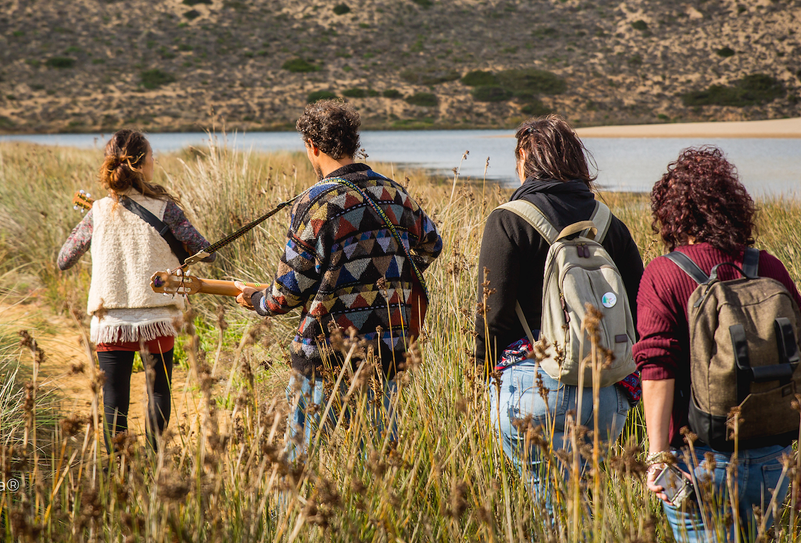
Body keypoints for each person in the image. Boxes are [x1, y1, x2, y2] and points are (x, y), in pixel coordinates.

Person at [234, 100, 442, 458]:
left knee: (301, 463)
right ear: (353, 142)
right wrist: (388, 276)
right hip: (387, 353)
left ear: (312, 146)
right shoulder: (395, 193)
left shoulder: (315, 202)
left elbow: (287, 293)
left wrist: (256, 301)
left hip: (325, 358)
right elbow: (431, 245)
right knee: (377, 464)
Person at [634, 146, 801, 542]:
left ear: (672, 212)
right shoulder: (768, 267)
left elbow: (657, 371)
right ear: (733, 206)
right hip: (773, 461)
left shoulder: (663, 274)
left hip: (697, 463)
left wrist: (657, 456)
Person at [475, 115, 644, 510]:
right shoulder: (609, 223)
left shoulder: (508, 219)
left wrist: (482, 375)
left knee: (549, 511)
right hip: (605, 391)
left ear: (524, 158)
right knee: (584, 507)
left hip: (532, 387)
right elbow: (639, 309)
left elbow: (491, 315)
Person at [57, 130, 213, 452]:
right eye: (152, 156)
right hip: (158, 318)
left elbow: (64, 259)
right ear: (140, 164)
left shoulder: (98, 210)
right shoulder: (166, 209)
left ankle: (120, 465)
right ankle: (155, 461)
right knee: (159, 391)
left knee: (114, 398)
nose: (155, 160)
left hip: (111, 321)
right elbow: (205, 251)